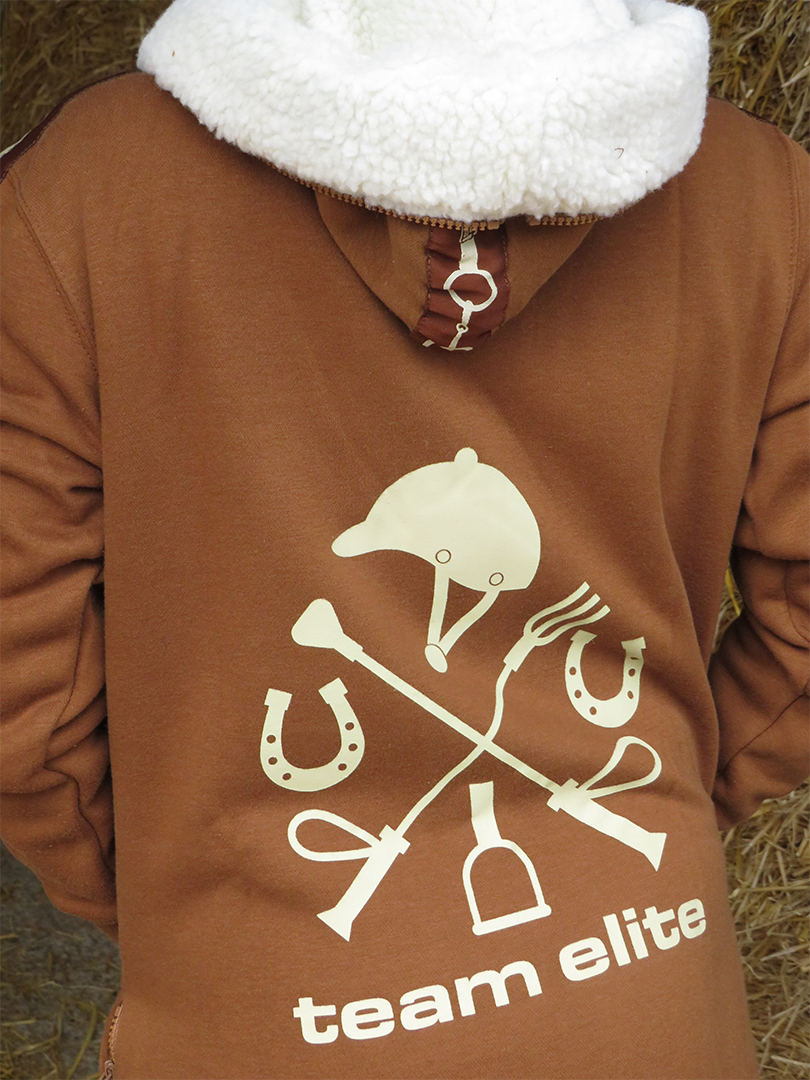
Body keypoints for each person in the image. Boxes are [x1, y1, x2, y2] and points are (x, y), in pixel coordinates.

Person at [1, 1, 807, 1077]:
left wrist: (185, 896)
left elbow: (20, 687)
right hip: (650, 1001)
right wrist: (672, 803)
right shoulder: (762, 192)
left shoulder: (78, 193)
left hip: (262, 1011)